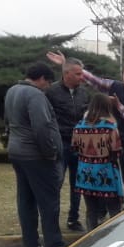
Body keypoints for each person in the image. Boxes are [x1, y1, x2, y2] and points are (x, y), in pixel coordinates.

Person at [46, 51, 124, 207]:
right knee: (105, 179)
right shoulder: (115, 86)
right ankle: (102, 213)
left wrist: (118, 106)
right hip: (108, 143)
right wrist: (65, 63)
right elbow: (95, 81)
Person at [3, 62, 65, 247]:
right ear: (42, 79)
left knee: (26, 198)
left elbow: (7, 120)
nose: (47, 88)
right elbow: (41, 126)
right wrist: (50, 151)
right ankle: (53, 243)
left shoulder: (12, 90)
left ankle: (30, 242)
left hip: (16, 151)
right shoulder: (35, 95)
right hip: (35, 154)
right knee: (48, 200)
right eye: (48, 83)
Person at [44, 56, 92, 232]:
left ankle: (73, 219)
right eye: (78, 74)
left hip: (79, 145)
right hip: (60, 143)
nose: (82, 77)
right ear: (67, 74)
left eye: (82, 73)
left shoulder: (84, 93)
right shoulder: (51, 92)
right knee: (56, 181)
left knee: (77, 184)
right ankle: (51, 220)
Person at [72, 94, 124, 230]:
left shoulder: (79, 126)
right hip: (106, 173)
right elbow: (116, 151)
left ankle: (91, 240)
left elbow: (74, 148)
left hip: (84, 174)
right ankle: (115, 239)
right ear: (108, 107)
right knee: (114, 210)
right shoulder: (110, 127)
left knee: (91, 210)